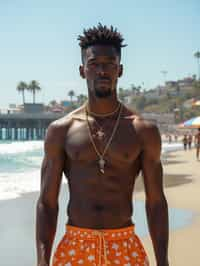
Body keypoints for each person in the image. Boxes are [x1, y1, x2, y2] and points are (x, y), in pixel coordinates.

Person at [36, 24, 169, 266]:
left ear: (120, 70)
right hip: (76, 248)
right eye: (94, 64)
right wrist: (42, 260)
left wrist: (163, 261)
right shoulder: (61, 131)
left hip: (125, 247)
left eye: (109, 63)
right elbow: (47, 202)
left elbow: (156, 202)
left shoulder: (143, 131)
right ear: (82, 70)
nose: (102, 71)